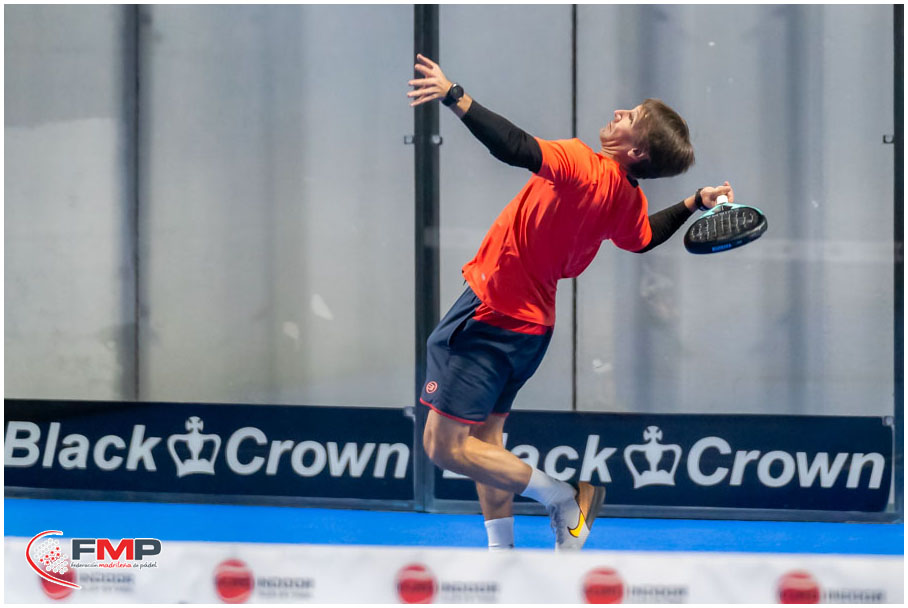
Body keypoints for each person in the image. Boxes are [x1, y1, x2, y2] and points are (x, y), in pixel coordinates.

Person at [407, 54, 734, 551]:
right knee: (488, 445)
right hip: (532, 329)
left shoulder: (582, 163)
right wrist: (693, 203)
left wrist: (455, 95)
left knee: (445, 446)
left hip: (492, 311)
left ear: (636, 151)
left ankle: (565, 497)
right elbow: (644, 239)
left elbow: (515, 147)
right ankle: (502, 560)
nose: (620, 112)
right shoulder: (628, 198)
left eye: (631, 116)